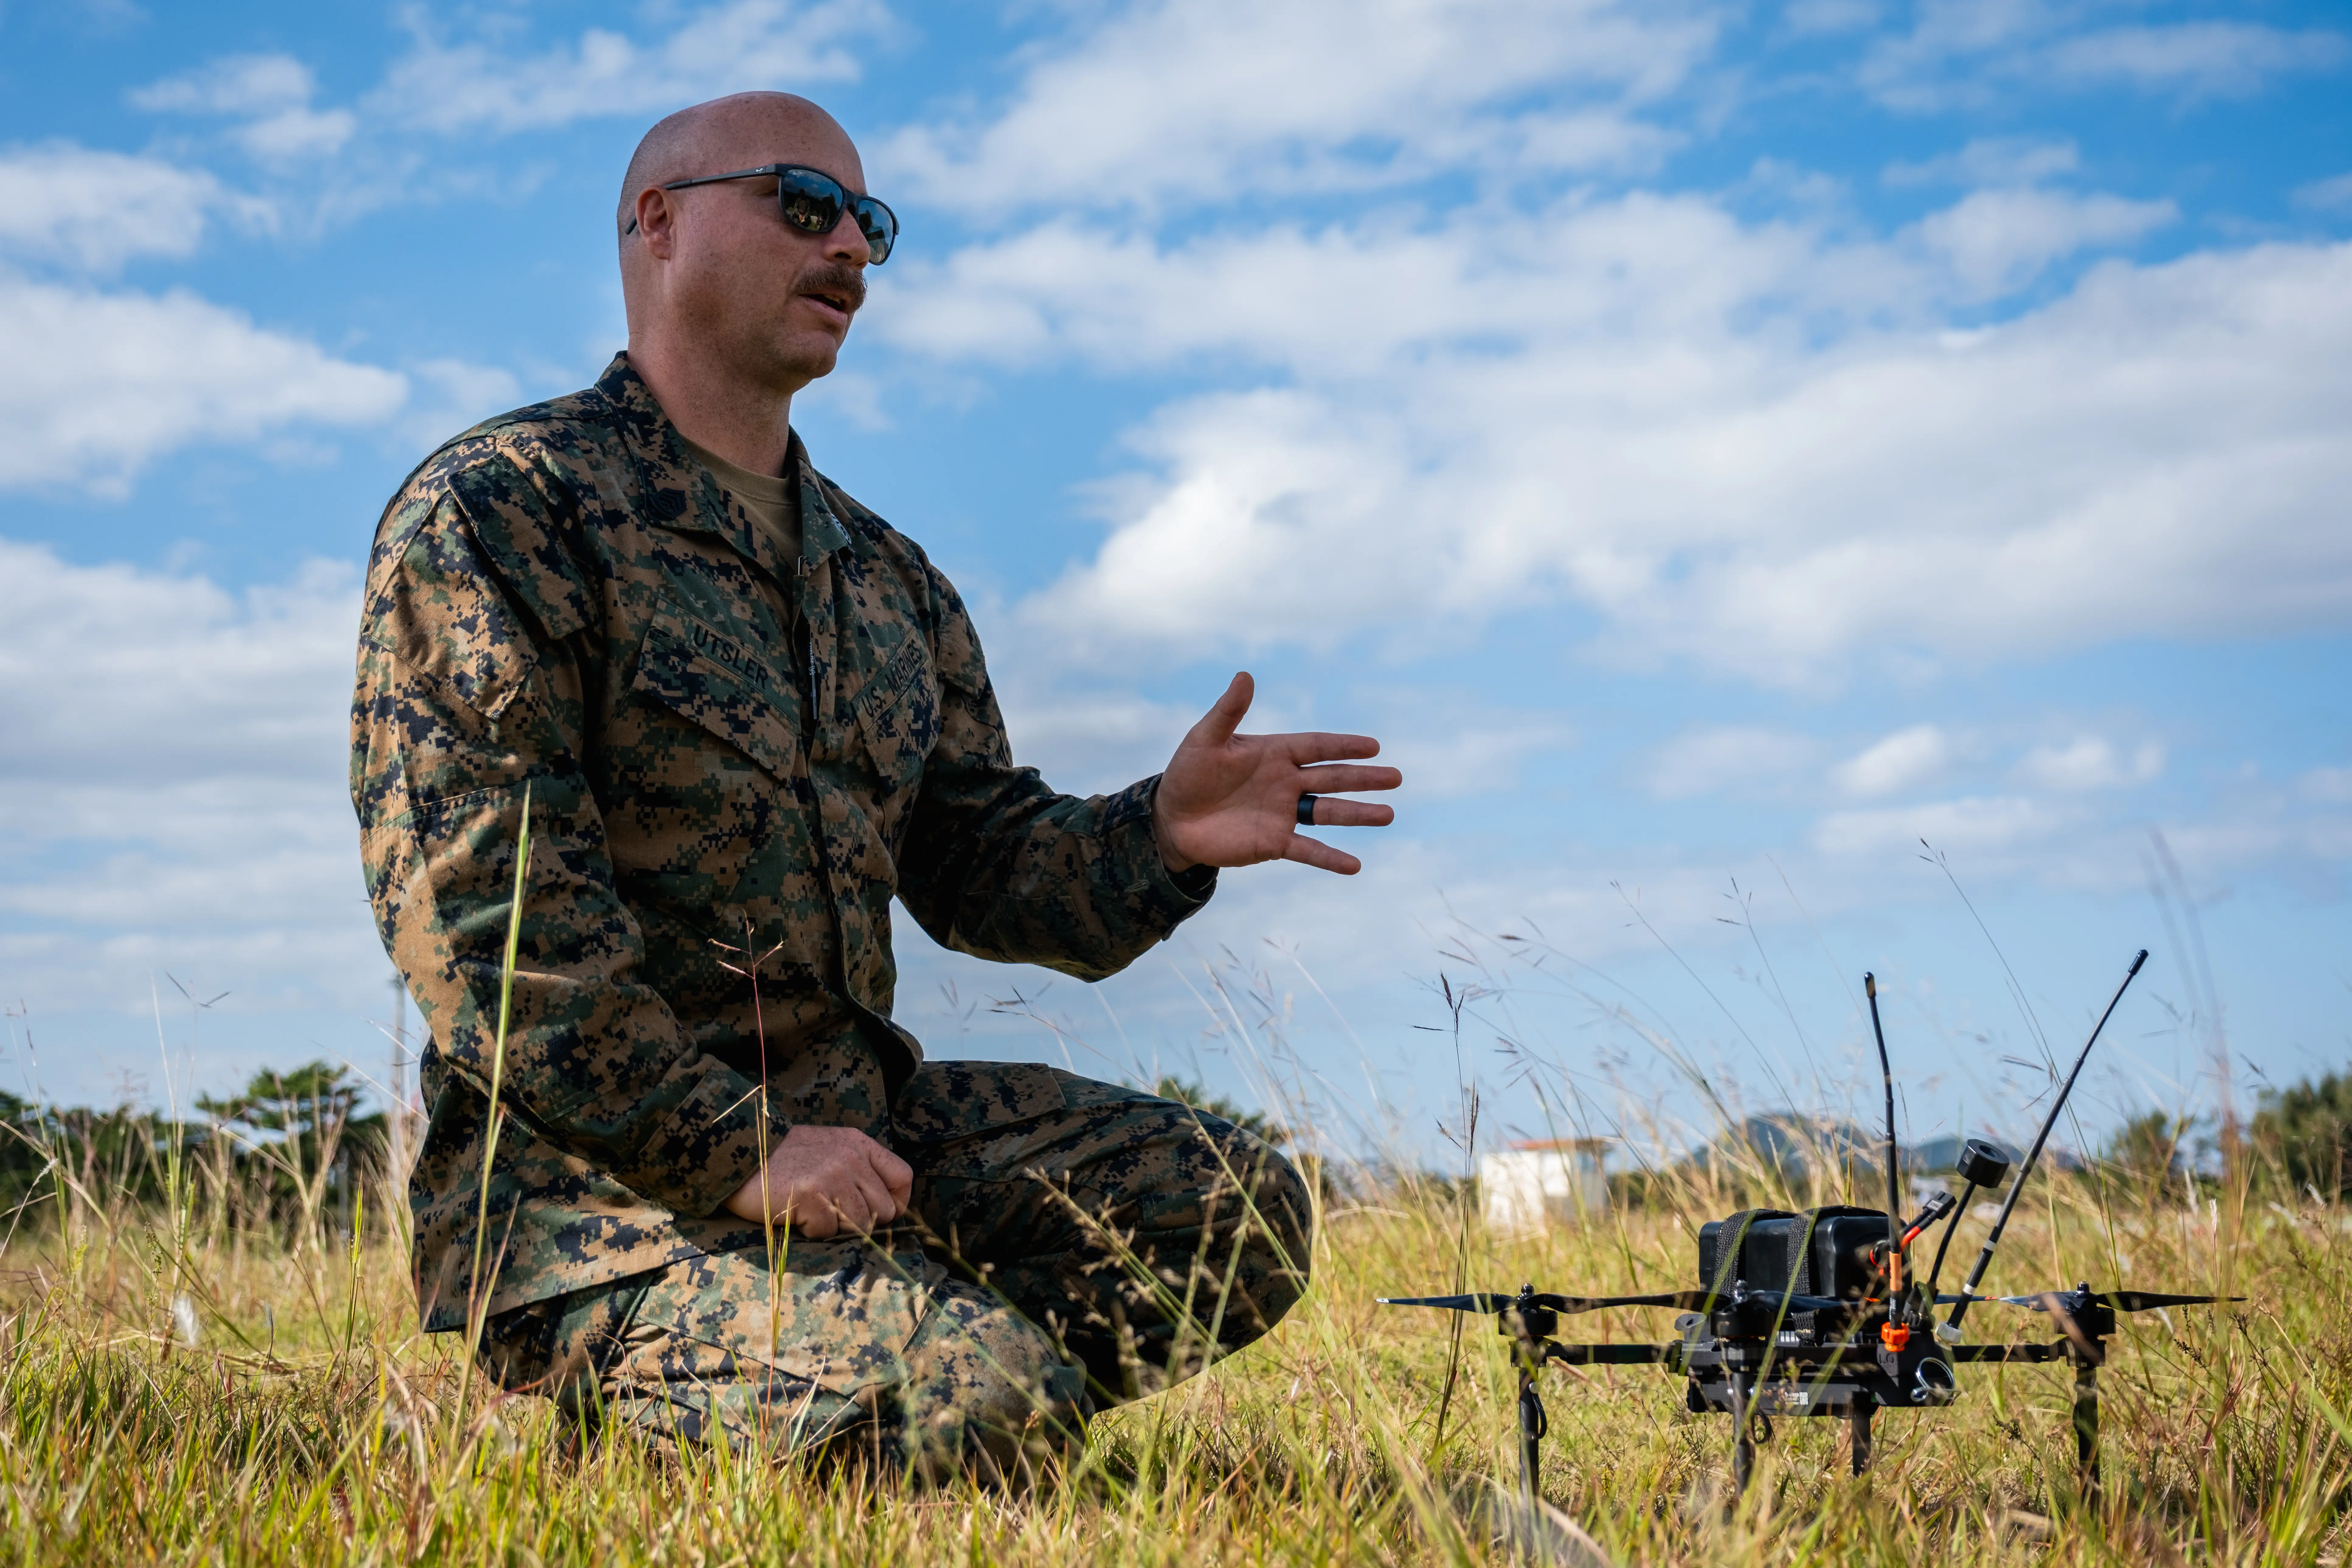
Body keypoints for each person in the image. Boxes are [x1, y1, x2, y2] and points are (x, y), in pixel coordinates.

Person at [350, 90, 1401, 1478]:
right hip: (601, 1201)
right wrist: (734, 1148)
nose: (852, 244)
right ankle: (715, 1398)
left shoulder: (887, 578)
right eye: (803, 201)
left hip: (859, 1149)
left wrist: (1159, 833)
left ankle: (865, 1377)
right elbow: (488, 931)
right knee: (982, 1399)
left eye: (872, 222)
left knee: (1238, 1209)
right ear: (656, 223)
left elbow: (979, 865)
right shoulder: (504, 511)